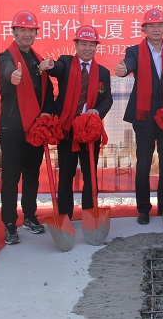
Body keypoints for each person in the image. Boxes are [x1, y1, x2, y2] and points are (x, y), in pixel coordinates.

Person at [115, 9, 163, 225]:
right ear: (144, 29)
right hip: (144, 117)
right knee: (144, 163)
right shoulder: (135, 52)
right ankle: (143, 209)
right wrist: (124, 69)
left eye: (160, 25)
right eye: (151, 26)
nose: (156, 29)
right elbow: (129, 64)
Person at [41, 25, 113, 217]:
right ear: (76, 45)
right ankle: (65, 215)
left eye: (92, 44)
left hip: (90, 129)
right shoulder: (66, 62)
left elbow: (107, 99)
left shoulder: (103, 72)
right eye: (83, 44)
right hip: (67, 129)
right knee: (66, 173)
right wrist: (50, 66)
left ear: (96, 46)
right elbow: (56, 69)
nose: (88, 48)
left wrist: (97, 111)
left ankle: (90, 213)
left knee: (90, 174)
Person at [0, 10, 55, 245]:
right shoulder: (6, 57)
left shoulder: (37, 60)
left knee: (32, 174)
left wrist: (46, 112)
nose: (28, 34)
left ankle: (30, 216)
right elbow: (6, 69)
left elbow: (48, 91)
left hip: (35, 128)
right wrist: (13, 75)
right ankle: (10, 224)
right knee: (11, 177)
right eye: (23, 30)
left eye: (32, 30)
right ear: (14, 32)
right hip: (12, 129)